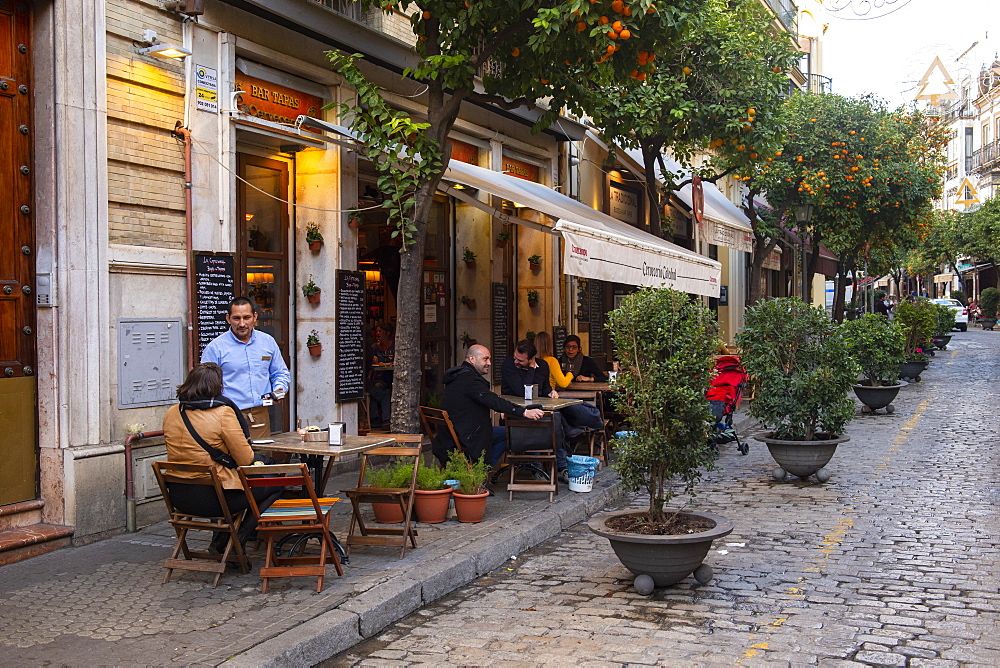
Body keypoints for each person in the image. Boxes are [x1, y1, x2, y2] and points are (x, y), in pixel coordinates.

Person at [162, 363, 282, 553]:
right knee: (276, 482)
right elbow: (245, 459)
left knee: (244, 484)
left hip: (179, 496)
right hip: (215, 498)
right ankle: (239, 538)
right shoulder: (222, 412)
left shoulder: (173, 412)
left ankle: (222, 538)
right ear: (217, 386)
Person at [432, 345, 543, 467]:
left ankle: (481, 471)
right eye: (485, 359)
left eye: (489, 359)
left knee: (502, 432)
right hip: (466, 437)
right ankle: (481, 470)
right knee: (510, 433)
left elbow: (483, 399)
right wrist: (524, 412)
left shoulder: (458, 375)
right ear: (472, 359)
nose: (489, 363)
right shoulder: (469, 379)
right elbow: (491, 399)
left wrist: (492, 405)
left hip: (450, 437)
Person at [201, 296, 290, 440]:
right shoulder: (216, 347)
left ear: (255, 317)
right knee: (233, 460)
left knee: (261, 458)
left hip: (259, 414)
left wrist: (278, 390)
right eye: (236, 318)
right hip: (227, 414)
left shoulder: (267, 342)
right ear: (228, 318)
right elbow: (204, 384)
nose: (242, 323)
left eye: (246, 317)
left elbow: (280, 373)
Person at [500, 339, 572, 481]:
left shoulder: (543, 365)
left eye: (520, 360)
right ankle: (537, 467)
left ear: (532, 358)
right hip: (516, 413)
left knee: (555, 417)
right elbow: (521, 390)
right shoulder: (508, 365)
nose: (516, 361)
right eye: (515, 357)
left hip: (539, 409)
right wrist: (531, 369)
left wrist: (551, 392)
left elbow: (544, 388)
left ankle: (561, 467)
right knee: (544, 422)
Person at [368, 323, 395, 429]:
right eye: (377, 331)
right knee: (377, 389)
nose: (378, 334)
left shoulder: (394, 346)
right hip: (379, 377)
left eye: (380, 331)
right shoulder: (375, 347)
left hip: (392, 376)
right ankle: (383, 420)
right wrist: (372, 359)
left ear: (387, 333)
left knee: (378, 391)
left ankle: (378, 419)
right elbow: (370, 361)